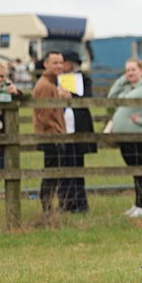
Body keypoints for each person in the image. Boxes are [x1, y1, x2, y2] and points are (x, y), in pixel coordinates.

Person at [107, 58, 142, 217]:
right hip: (124, 136)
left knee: (139, 169)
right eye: (127, 70)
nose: (129, 73)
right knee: (134, 170)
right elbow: (111, 97)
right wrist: (122, 80)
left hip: (139, 136)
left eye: (133, 70)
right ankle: (138, 204)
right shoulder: (127, 87)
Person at [32, 52, 71, 215]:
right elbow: (45, 115)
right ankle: (47, 210)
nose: (59, 66)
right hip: (51, 137)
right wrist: (56, 133)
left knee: (54, 174)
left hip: (55, 135)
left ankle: (50, 209)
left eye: (61, 63)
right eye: (55, 63)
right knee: (50, 174)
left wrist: (61, 98)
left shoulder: (52, 84)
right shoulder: (44, 85)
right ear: (46, 64)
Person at [58, 50, 96, 213]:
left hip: (78, 127)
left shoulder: (84, 79)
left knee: (77, 167)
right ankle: (65, 203)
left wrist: (71, 95)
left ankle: (80, 203)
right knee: (62, 167)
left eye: (63, 62)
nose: (61, 65)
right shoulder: (56, 79)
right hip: (61, 127)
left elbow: (86, 98)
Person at [0, 61, 24, 224]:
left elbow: (28, 96)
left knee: (0, 182)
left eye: (1, 76)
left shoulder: (6, 89)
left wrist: (16, 92)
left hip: (3, 146)